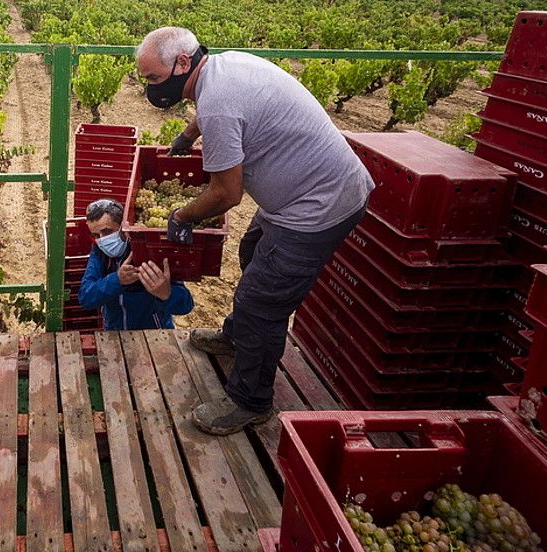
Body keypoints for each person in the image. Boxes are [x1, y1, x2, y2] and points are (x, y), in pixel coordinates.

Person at [135, 26, 373, 435]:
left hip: (317, 207)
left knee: (262, 302)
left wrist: (182, 217)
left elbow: (227, 194)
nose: (151, 87)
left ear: (182, 63)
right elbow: (218, 110)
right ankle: (235, 336)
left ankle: (250, 400)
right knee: (252, 249)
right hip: (302, 194)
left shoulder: (219, 106)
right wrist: (188, 134)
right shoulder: (225, 66)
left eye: (154, 78)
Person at [76, 198, 194, 330]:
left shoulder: (150, 250)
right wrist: (117, 280)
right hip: (116, 335)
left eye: (108, 232)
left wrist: (167, 293)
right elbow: (85, 297)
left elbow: (185, 306)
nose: (103, 240)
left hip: (155, 335)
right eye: (96, 235)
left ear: (123, 227)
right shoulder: (99, 252)